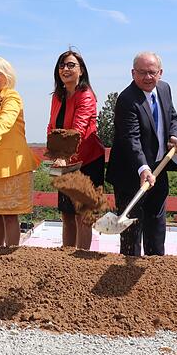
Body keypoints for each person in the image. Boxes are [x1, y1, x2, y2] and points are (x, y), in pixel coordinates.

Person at [106, 52, 177, 256]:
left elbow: (173, 117)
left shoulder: (164, 89)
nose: (147, 77)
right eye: (141, 72)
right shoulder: (127, 99)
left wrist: (173, 135)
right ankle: (126, 275)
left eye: (152, 72)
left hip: (159, 168)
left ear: (160, 73)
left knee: (156, 226)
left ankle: (154, 272)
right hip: (130, 173)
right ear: (133, 73)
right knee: (132, 232)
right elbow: (130, 139)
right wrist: (143, 168)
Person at [0, 57, 40, 247]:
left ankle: (12, 257)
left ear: (7, 75)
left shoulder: (12, 97)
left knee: (10, 216)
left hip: (14, 165)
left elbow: (5, 122)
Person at [47, 50, 105, 250]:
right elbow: (52, 128)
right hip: (65, 162)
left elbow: (78, 130)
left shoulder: (86, 95)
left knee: (83, 215)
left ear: (81, 71)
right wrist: (55, 153)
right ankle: (66, 258)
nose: (66, 69)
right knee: (66, 213)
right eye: (62, 65)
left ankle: (82, 260)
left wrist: (63, 156)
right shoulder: (58, 96)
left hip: (87, 161)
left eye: (71, 65)